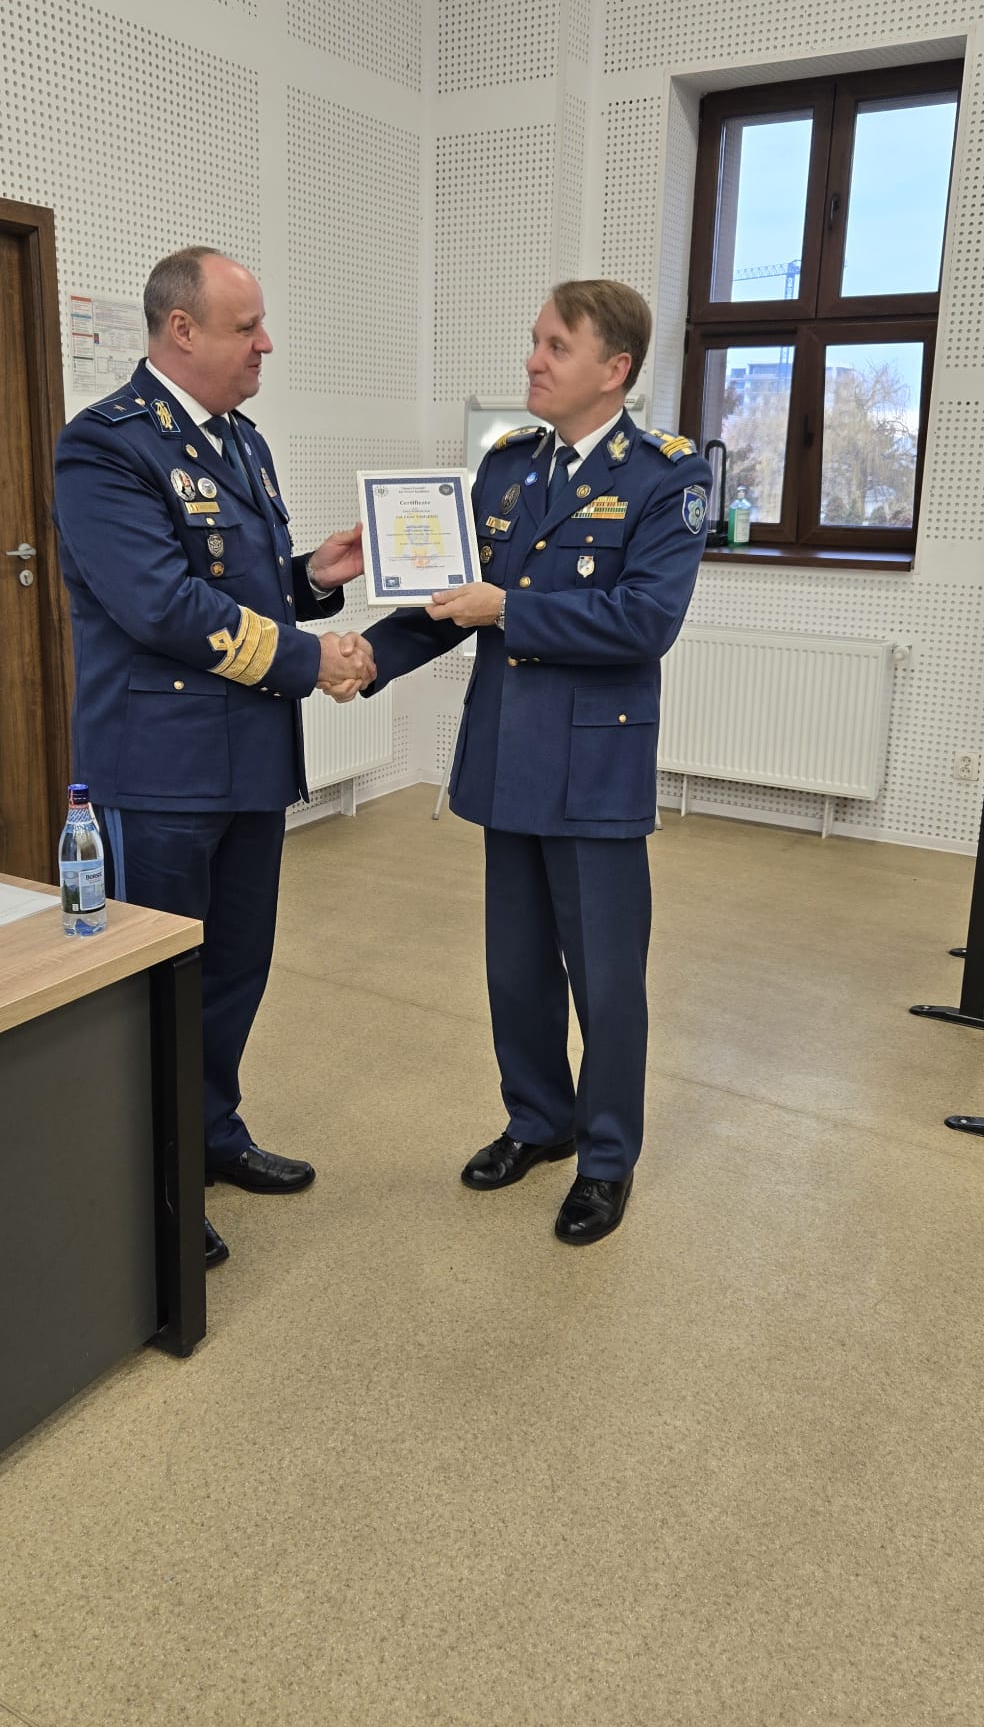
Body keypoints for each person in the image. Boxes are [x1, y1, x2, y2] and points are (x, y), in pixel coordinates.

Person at [351, 280, 709, 1245]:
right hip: (508, 754)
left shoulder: (666, 477)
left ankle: (605, 1159)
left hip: (594, 769)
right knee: (515, 970)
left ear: (615, 369)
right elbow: (446, 600)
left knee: (606, 979)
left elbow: (644, 620)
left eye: (556, 346)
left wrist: (508, 608)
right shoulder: (509, 468)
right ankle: (539, 1120)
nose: (533, 361)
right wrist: (366, 660)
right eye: (535, 342)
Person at [53, 248, 375, 1267]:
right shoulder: (104, 447)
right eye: (247, 327)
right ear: (181, 329)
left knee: (234, 967)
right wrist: (310, 658)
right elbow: (163, 605)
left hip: (248, 763)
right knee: (157, 984)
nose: (266, 343)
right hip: (159, 772)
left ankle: (210, 1132)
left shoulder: (239, 439)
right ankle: (151, 1186)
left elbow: (240, 583)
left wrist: (313, 576)